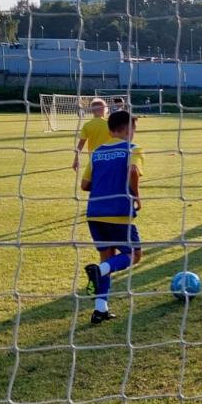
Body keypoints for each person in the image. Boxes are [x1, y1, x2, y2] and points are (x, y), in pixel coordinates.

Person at [81, 110, 144, 324]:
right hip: (117, 212)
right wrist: (136, 195)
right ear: (128, 129)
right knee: (133, 254)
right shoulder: (133, 149)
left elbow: (84, 185)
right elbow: (133, 171)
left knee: (107, 258)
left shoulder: (97, 152)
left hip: (94, 213)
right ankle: (99, 271)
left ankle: (100, 310)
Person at [72, 98, 110, 171]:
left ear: (92, 111)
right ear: (104, 110)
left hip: (93, 156)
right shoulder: (109, 124)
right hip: (108, 155)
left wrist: (76, 159)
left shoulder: (87, 125)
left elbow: (81, 143)